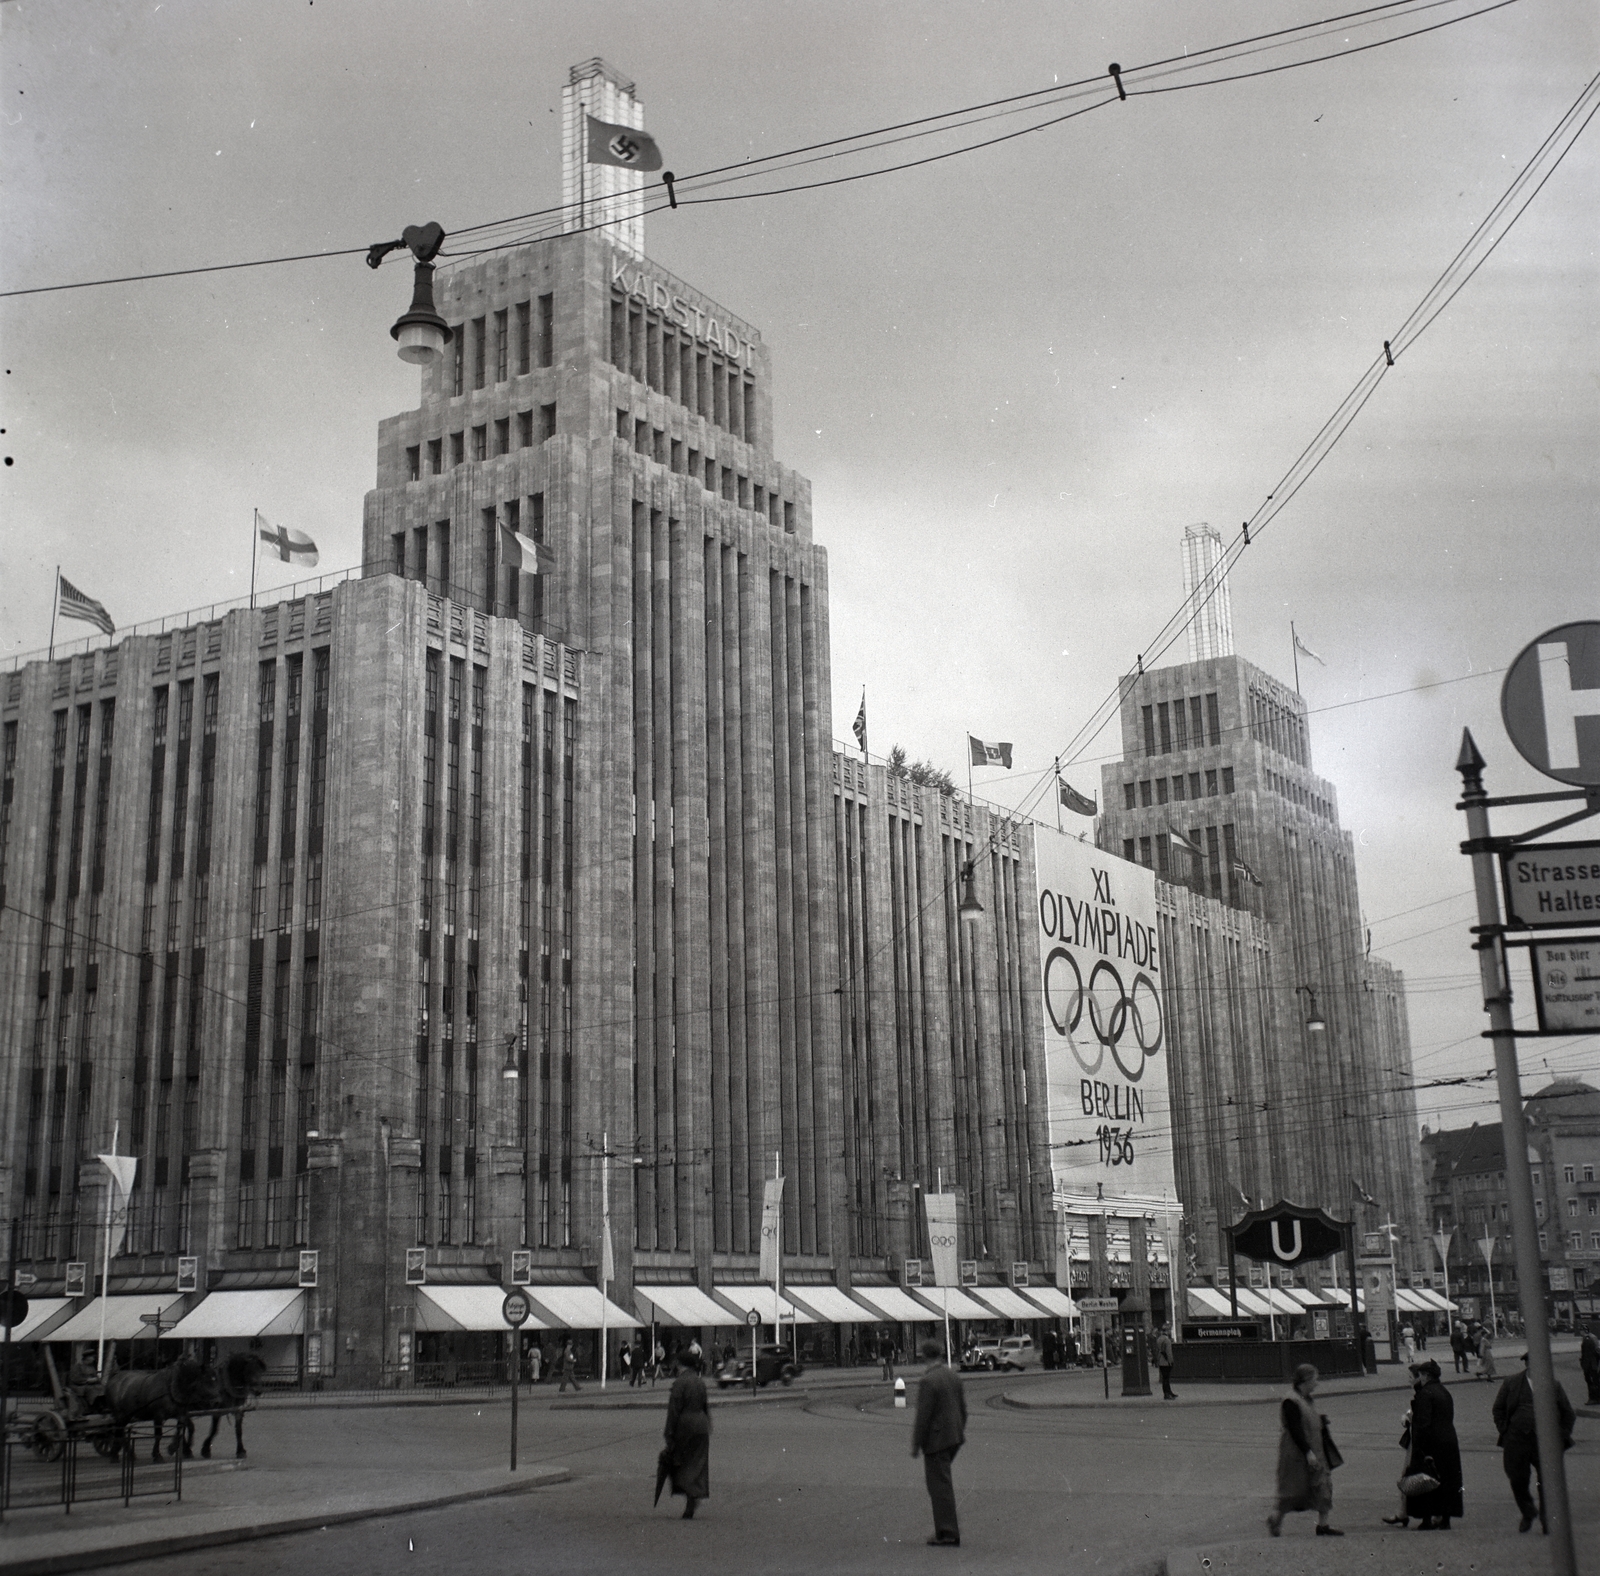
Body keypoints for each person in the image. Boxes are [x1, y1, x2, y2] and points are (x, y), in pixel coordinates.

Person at [1493, 1351, 1576, 1534]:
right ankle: (1528, 1511)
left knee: (1547, 1481)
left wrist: (1561, 1435)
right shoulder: (1511, 1383)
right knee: (1517, 1479)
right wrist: (1505, 1431)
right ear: (1527, 1365)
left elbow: (1568, 1413)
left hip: (1544, 1441)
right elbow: (1498, 1409)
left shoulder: (1553, 1386)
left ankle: (1547, 1519)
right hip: (1516, 1440)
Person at [1266, 1363, 1343, 1538]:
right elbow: (1295, 1429)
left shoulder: (1305, 1398)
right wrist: (1308, 1452)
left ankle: (1323, 1525)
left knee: (1323, 1485)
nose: (1317, 1383)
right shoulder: (1291, 1401)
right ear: (1306, 1380)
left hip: (1315, 1451)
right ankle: (1275, 1518)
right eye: (1315, 1379)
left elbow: (1306, 1421)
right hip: (1297, 1453)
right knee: (1293, 1490)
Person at [911, 1337, 967, 1548]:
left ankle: (947, 1532)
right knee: (942, 1483)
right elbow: (963, 1410)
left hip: (937, 1440)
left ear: (925, 1356)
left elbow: (923, 1417)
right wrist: (959, 1431)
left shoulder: (928, 1381)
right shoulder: (952, 1376)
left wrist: (916, 1444)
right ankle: (946, 1529)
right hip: (953, 1437)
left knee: (939, 1486)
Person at [1404, 1360, 1463, 1530]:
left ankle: (1427, 1519)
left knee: (1426, 1480)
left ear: (1426, 1376)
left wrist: (1421, 1448)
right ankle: (1445, 1518)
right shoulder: (1444, 1392)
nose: (1419, 1378)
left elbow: (1423, 1423)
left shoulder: (1426, 1393)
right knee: (1446, 1480)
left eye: (1421, 1375)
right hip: (1449, 1440)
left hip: (1431, 1443)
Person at [663, 1352, 712, 1519]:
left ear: (680, 1364)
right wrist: (708, 1424)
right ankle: (694, 1495)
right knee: (698, 1461)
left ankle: (691, 1495)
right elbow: (705, 1405)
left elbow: (674, 1410)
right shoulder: (700, 1382)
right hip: (701, 1424)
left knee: (682, 1461)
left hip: (686, 1425)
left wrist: (669, 1432)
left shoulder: (679, 1383)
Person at [1383, 1363, 1428, 1528]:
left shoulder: (1422, 1394)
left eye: (1411, 1377)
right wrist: (1408, 1414)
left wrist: (1408, 1417)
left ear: (1419, 1377)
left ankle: (1404, 1513)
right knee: (1409, 1475)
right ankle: (1403, 1512)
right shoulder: (1421, 1392)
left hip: (1417, 1442)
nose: (1409, 1380)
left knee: (1409, 1474)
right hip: (1417, 1439)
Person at [1155, 1323, 1176, 1400]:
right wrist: (1171, 1361)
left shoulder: (1159, 1339)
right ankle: (1167, 1394)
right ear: (1167, 1331)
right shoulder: (1167, 1340)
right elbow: (1169, 1352)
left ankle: (1168, 1392)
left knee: (1164, 1378)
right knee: (1166, 1378)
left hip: (1160, 1360)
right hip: (1166, 1362)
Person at [1580, 1325, 1600, 1405]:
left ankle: (1594, 1398)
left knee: (1591, 1381)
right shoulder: (1591, 1337)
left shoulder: (1589, 1339)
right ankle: (1596, 1397)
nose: (1580, 1332)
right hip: (1592, 1364)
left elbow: (1589, 1353)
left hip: (1591, 1365)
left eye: (1581, 1330)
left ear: (1585, 1331)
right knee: (1594, 1381)